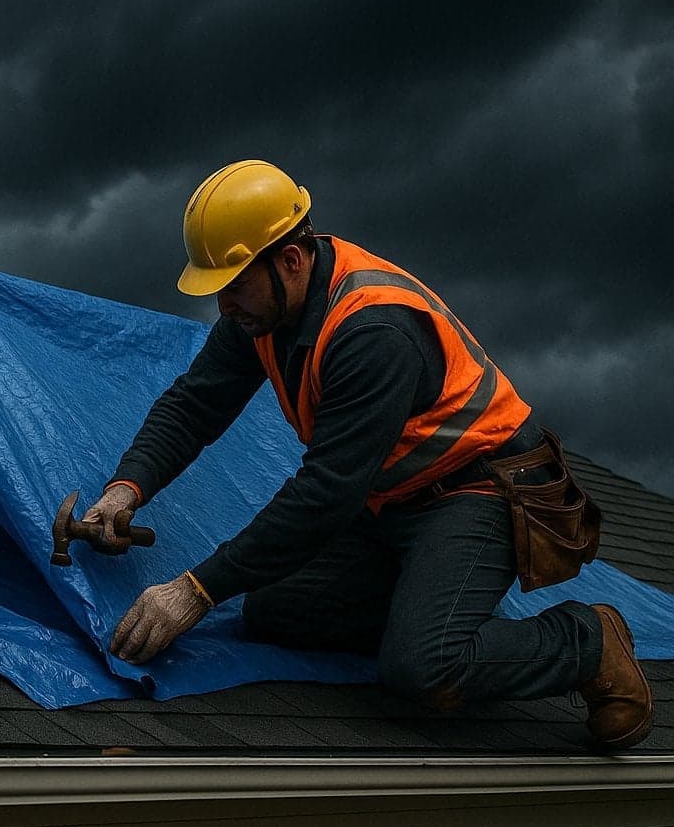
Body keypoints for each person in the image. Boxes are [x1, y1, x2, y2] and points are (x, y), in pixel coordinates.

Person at [87, 160, 653, 749]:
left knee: (421, 667)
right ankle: (431, 611)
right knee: (275, 611)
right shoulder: (260, 311)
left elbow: (326, 495)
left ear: (290, 260)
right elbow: (194, 406)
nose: (225, 306)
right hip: (391, 499)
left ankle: (588, 640)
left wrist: (194, 589)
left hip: (476, 490)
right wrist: (126, 488)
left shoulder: (373, 330)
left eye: (233, 285)